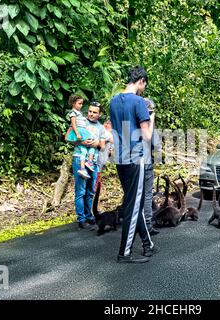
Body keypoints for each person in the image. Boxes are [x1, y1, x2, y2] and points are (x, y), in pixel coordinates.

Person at [110, 66, 158, 264]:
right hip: (135, 158)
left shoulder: (113, 101)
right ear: (142, 81)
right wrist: (151, 116)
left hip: (120, 157)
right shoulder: (139, 102)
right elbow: (147, 136)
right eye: (144, 86)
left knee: (133, 203)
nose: (143, 90)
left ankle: (148, 244)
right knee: (132, 206)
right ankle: (125, 252)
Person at [72, 101, 106, 230]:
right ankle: (81, 219)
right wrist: (80, 140)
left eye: (94, 112)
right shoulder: (80, 122)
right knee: (80, 190)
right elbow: (67, 138)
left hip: (94, 161)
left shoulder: (101, 128)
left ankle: (89, 215)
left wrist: (94, 143)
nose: (91, 114)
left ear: (100, 114)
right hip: (79, 159)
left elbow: (102, 147)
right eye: (90, 111)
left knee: (90, 191)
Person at [68, 95, 97, 179]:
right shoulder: (73, 113)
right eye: (79, 103)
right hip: (80, 131)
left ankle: (89, 162)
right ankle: (83, 168)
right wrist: (77, 133)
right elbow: (73, 124)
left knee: (91, 144)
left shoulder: (79, 113)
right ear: (73, 103)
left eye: (82, 104)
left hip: (83, 131)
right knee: (83, 150)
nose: (81, 105)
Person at [142, 98, 160, 236]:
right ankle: (147, 225)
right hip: (146, 161)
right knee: (147, 195)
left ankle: (134, 223)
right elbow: (156, 144)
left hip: (131, 161)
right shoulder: (149, 124)